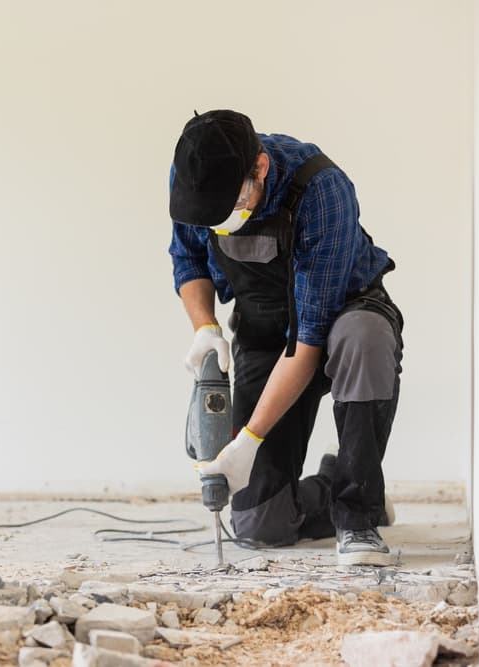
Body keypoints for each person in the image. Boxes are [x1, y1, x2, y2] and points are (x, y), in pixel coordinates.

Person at [168, 110, 403, 566]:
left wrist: (249, 441)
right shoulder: (194, 177)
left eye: (228, 206)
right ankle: (334, 483)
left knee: (363, 337)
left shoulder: (321, 189)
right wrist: (205, 327)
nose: (218, 221)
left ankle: (358, 515)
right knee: (259, 525)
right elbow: (188, 259)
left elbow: (307, 341)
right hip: (265, 327)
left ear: (259, 168)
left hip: (340, 316)